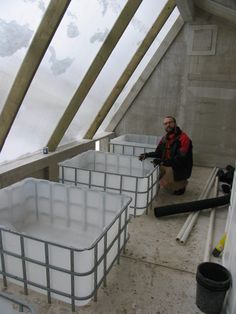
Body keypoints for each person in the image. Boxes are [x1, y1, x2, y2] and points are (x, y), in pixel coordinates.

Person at [139, 116, 193, 195]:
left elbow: (180, 159)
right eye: (165, 123)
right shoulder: (165, 139)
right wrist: (146, 155)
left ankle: (181, 185)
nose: (168, 125)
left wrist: (162, 162)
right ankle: (167, 180)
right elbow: (158, 153)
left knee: (168, 184)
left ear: (175, 123)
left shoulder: (184, 138)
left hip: (179, 167)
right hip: (168, 163)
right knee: (153, 169)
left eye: (170, 122)